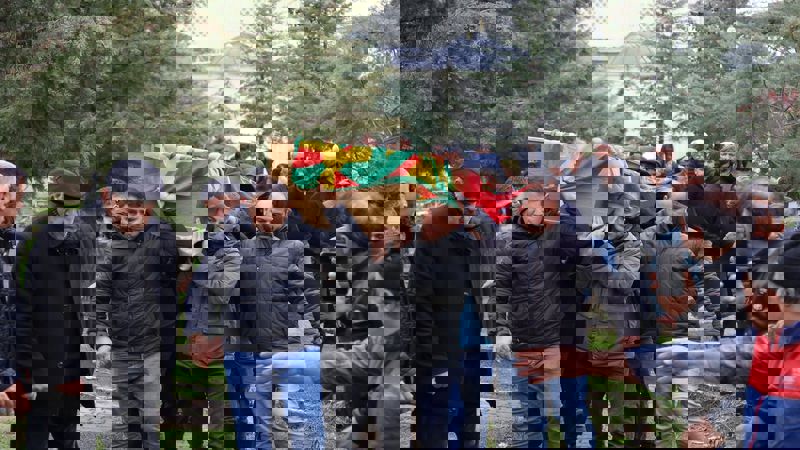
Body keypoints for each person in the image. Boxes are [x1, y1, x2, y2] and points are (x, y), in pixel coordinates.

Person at [4, 161, 98, 449]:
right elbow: (21, 305)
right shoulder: (32, 236)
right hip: (39, 356)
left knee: (67, 430)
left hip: (73, 353)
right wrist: (26, 361)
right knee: (35, 430)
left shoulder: (86, 234)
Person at [496, 183, 594, 448]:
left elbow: (587, 278)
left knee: (562, 409)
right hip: (525, 336)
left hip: (561, 336)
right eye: (529, 208)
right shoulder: (506, 239)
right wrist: (502, 330)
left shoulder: (567, 235)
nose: (535, 213)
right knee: (526, 412)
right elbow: (500, 288)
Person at [226, 185, 323, 449]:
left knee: (303, 421)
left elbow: (308, 298)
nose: (267, 218)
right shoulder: (240, 250)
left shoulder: (297, 248)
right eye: (261, 213)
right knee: (257, 425)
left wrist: (308, 341)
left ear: (286, 214)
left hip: (293, 347)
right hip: (253, 350)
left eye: (275, 213)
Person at [321, 183, 414, 449]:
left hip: (390, 354)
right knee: (358, 426)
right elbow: (342, 306)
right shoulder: (347, 249)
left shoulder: (399, 250)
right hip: (357, 349)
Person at [95, 159, 178, 449]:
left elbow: (173, 285)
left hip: (153, 344)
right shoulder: (108, 244)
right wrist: (102, 337)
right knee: (123, 419)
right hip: (120, 343)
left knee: (149, 418)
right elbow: (100, 294)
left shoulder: (162, 237)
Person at [165, 179, 240, 449]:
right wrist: (186, 262)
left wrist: (200, 263)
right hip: (188, 337)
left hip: (220, 338)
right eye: (209, 211)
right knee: (191, 409)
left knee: (221, 412)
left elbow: (222, 292)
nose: (215, 217)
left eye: (220, 210)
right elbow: (176, 296)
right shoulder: (189, 246)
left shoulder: (233, 246)